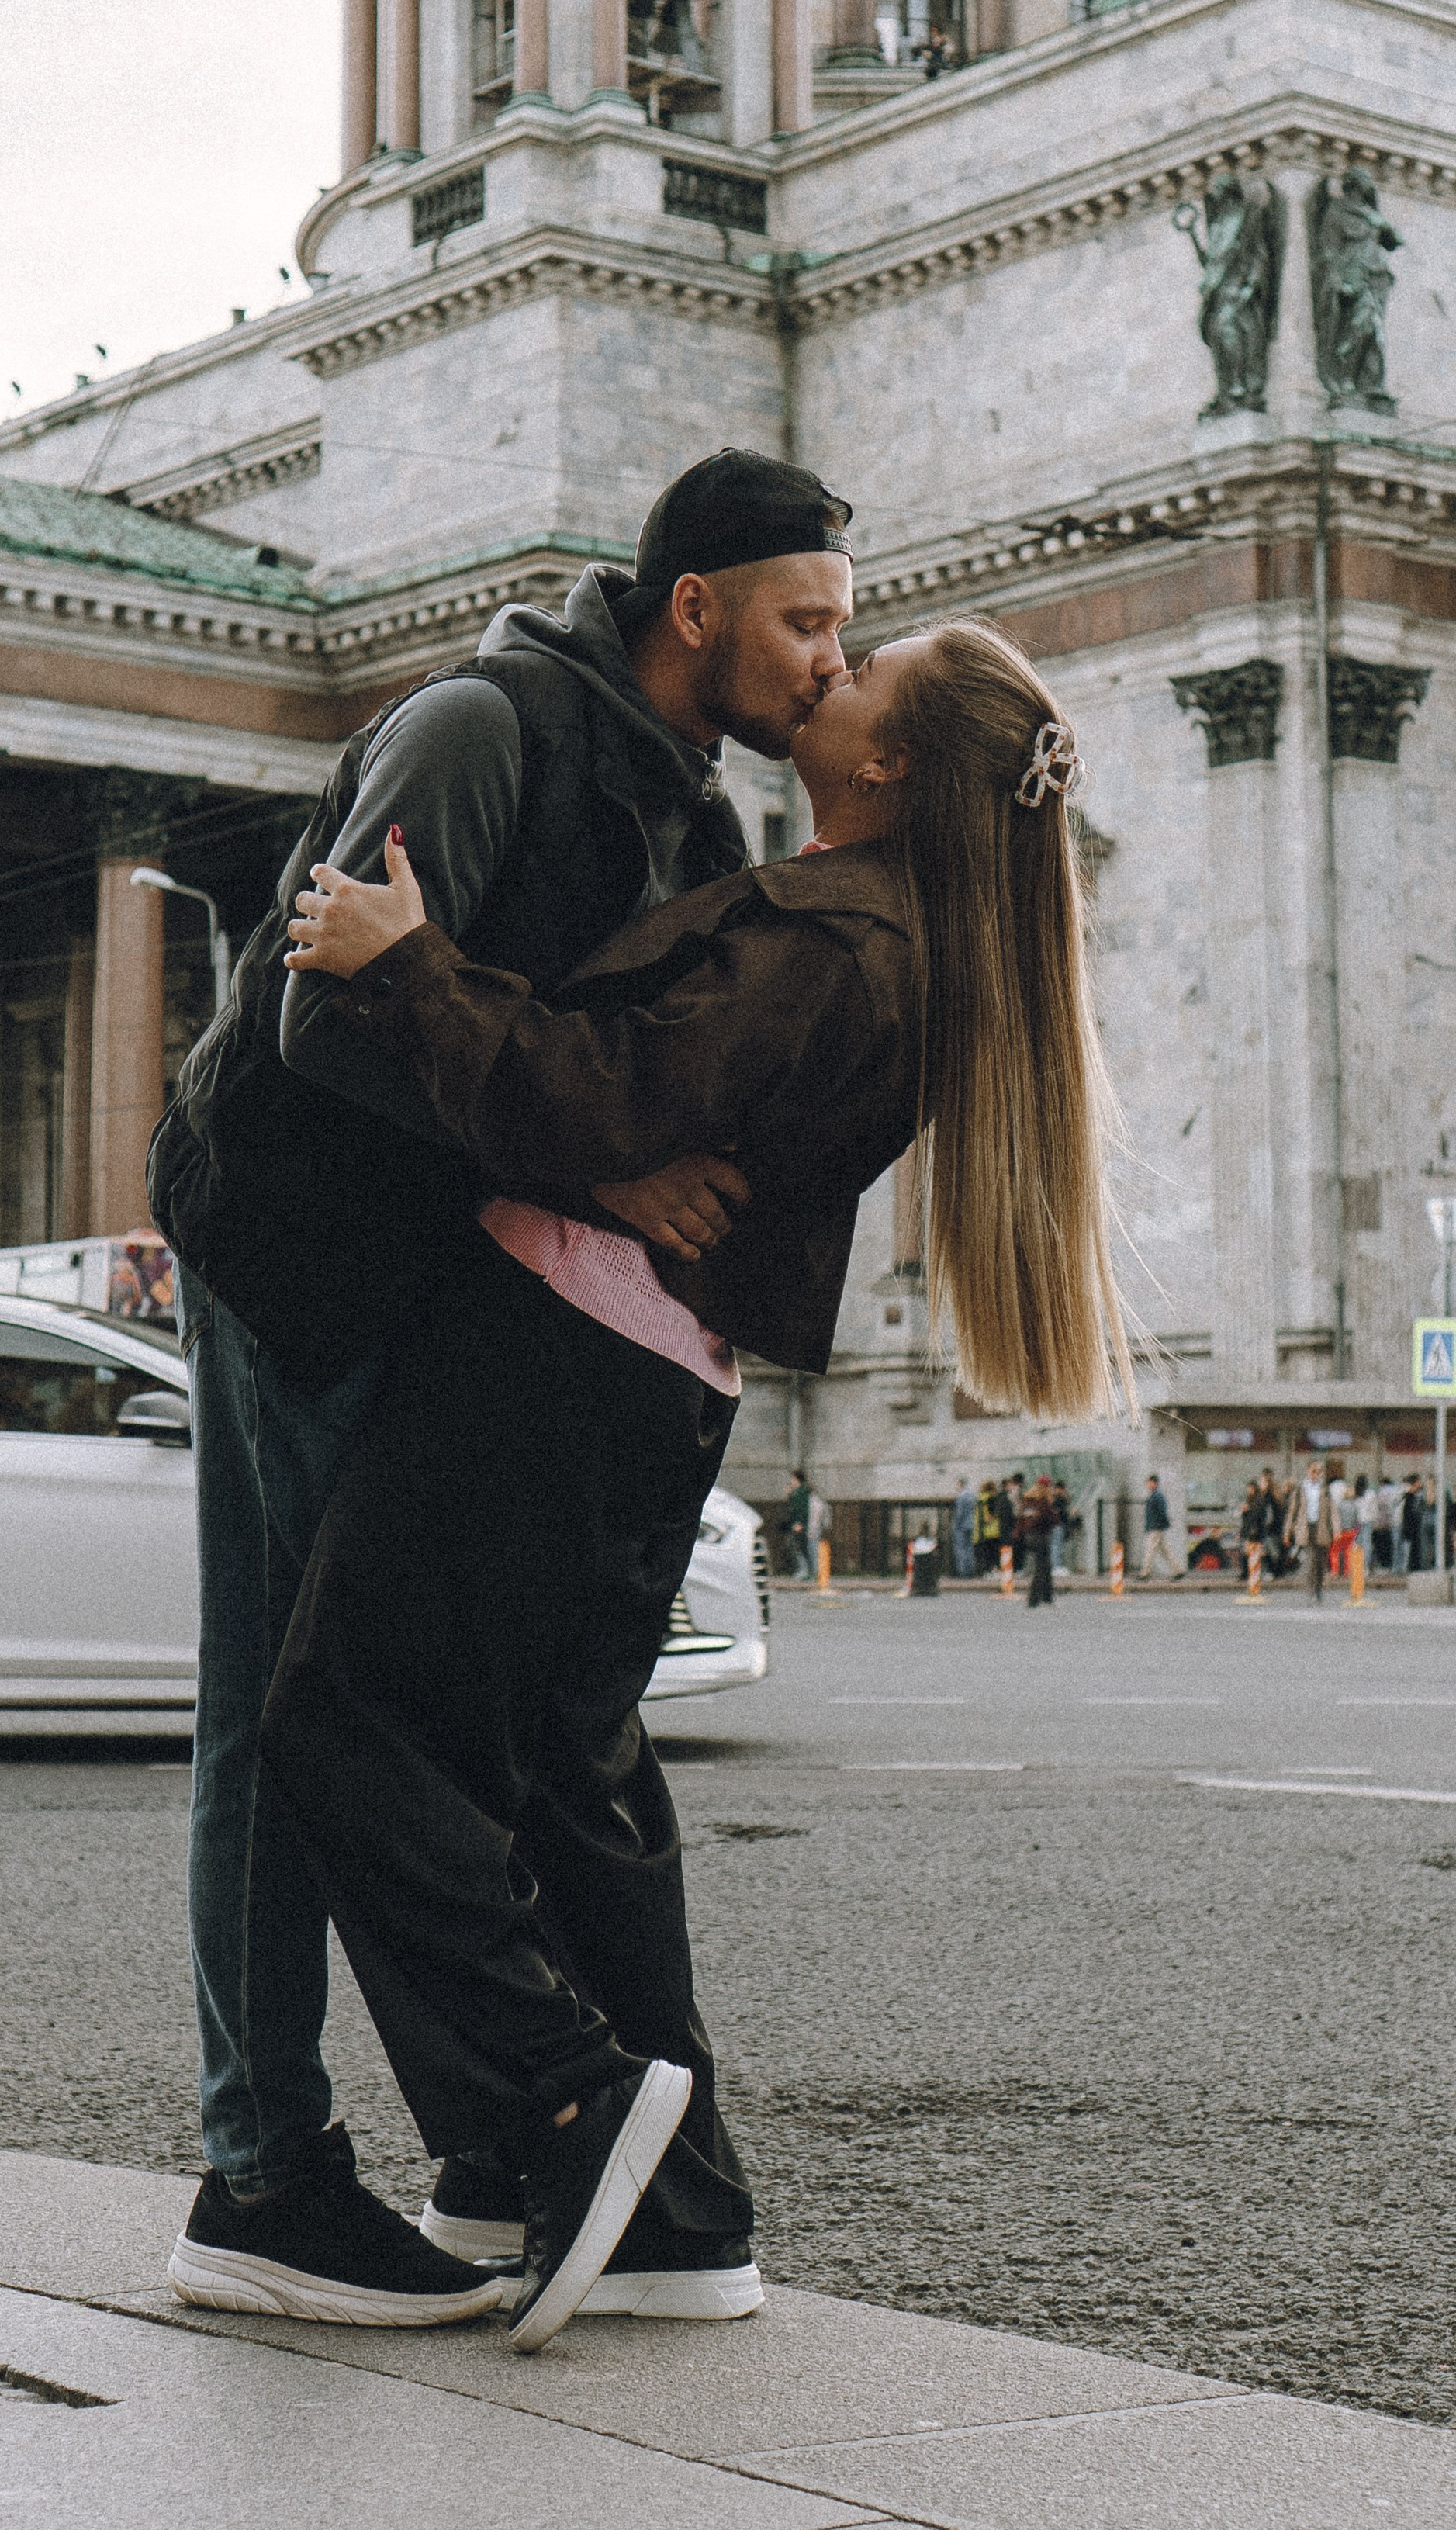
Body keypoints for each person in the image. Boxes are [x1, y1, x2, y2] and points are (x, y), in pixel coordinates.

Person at [268, 614, 1133, 2348]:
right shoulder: (889, 931)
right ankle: (674, 2215)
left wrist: (396, 957)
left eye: (855, 666)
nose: (827, 672)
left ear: (885, 765)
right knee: (565, 1788)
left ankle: (570, 2109)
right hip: (640, 1373)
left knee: (339, 1729)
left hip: (555, 1360)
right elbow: (646, 1112)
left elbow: (600, 1091)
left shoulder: (835, 935)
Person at [147, 447, 855, 2325]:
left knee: (401, 1712)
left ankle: (490, 2156)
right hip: (295, 1255)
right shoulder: (477, 727)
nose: (825, 661)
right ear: (692, 606)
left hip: (438, 1281)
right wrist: (597, 1177)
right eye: (804, 619)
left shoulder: (686, 802)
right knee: (286, 1714)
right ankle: (263, 2172)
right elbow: (324, 1013)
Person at [1285, 1460, 1328, 1601]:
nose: (1316, 1475)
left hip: (1321, 1527)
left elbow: (1332, 1511)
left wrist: (1337, 1529)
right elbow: (1292, 1511)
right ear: (1308, 1472)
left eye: (1319, 1472)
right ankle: (1311, 1590)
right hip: (1306, 1527)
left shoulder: (1324, 1489)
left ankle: (1319, 1587)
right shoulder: (1300, 1489)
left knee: (1321, 1561)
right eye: (1313, 1471)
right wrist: (1287, 1531)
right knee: (1311, 1559)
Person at [1019, 1476, 1060, 1608]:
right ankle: (1033, 1599)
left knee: (1045, 1567)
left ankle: (1047, 1597)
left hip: (1029, 1536)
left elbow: (1020, 1518)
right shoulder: (1043, 1501)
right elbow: (1052, 1519)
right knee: (1041, 1568)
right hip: (1041, 1536)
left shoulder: (1027, 1500)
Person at [1139, 1473, 1178, 1581]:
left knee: (1150, 1550)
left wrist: (1163, 1524)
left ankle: (1144, 1573)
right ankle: (1178, 1571)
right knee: (1165, 1551)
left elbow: (1161, 1512)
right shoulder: (1156, 1495)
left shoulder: (1157, 1496)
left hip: (1156, 1527)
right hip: (1157, 1527)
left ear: (1154, 1483)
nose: (1148, 1485)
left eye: (1149, 1483)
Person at [778, 1466, 814, 1583]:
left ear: (796, 1479)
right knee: (798, 1546)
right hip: (797, 1523)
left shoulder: (802, 1491)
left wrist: (800, 1523)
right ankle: (805, 1570)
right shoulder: (799, 1491)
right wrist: (790, 1494)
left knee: (797, 1546)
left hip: (799, 1524)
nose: (792, 1481)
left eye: (793, 1478)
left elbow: (802, 1509)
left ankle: (804, 1570)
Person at [973, 1480, 1002, 1577]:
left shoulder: (980, 1498)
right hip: (993, 1530)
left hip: (981, 1531)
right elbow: (992, 1514)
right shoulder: (991, 1498)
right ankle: (994, 1571)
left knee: (985, 1553)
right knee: (994, 1553)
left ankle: (986, 1572)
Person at [949, 1476, 977, 1581]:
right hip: (971, 1524)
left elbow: (959, 1514)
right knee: (969, 1548)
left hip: (961, 1526)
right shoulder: (972, 1496)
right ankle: (970, 1569)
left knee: (960, 1548)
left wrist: (955, 1525)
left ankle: (962, 1571)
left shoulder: (961, 1497)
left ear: (961, 1484)